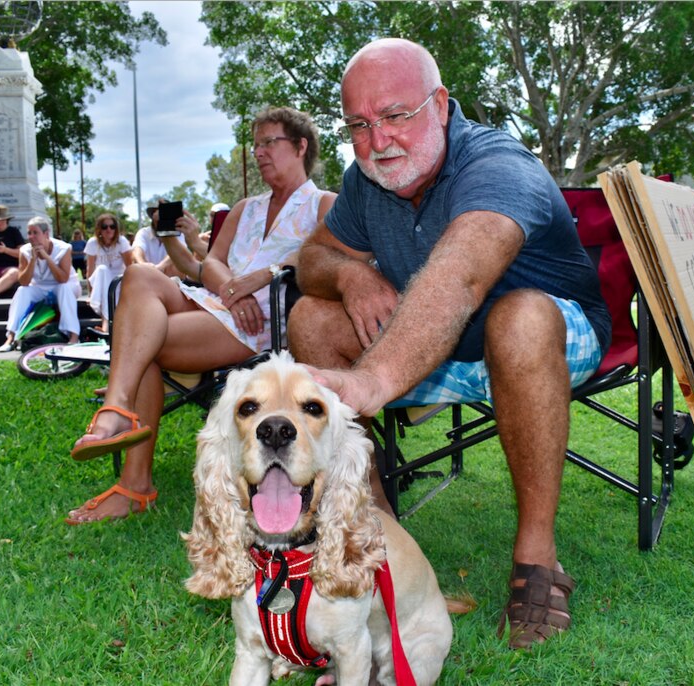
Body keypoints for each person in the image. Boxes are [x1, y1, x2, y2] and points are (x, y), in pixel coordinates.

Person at [286, 39, 611, 650]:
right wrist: (353, 274)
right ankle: (375, 535)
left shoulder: (497, 164)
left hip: (546, 341)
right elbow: (311, 259)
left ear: (438, 106)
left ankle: (538, 560)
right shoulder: (364, 182)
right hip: (439, 347)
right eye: (359, 124)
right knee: (312, 318)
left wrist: (373, 381)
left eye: (395, 115)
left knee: (518, 317)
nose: (378, 139)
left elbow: (459, 277)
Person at [64, 106, 336, 525]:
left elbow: (321, 260)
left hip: (260, 322)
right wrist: (231, 289)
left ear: (301, 146)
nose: (259, 151)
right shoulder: (246, 207)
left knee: (144, 345)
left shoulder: (323, 205)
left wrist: (259, 279)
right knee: (137, 275)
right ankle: (118, 409)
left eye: (270, 142)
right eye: (256, 143)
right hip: (219, 302)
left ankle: (134, 483)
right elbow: (212, 262)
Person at [0, 217, 81, 353]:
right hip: (40, 287)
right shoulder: (25, 251)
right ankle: (11, 337)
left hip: (65, 286)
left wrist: (47, 258)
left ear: (46, 234)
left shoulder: (63, 248)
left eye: (35, 233)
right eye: (29, 233)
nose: (31, 236)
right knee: (22, 290)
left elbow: (63, 279)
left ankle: (73, 336)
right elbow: (24, 281)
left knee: (64, 288)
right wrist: (33, 260)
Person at [84, 214, 133, 333]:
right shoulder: (93, 243)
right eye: (105, 227)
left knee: (111, 285)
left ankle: (107, 324)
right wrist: (90, 293)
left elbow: (130, 267)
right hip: (99, 281)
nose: (109, 230)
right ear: (99, 229)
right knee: (102, 269)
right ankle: (107, 324)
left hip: (118, 281)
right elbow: (90, 270)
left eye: (112, 226)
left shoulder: (122, 242)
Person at [130, 199, 197, 277]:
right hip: (146, 276)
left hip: (169, 277)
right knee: (134, 266)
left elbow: (179, 253)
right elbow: (137, 251)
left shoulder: (179, 234)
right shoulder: (144, 232)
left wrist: (160, 267)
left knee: (175, 267)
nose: (159, 215)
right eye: (157, 211)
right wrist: (142, 264)